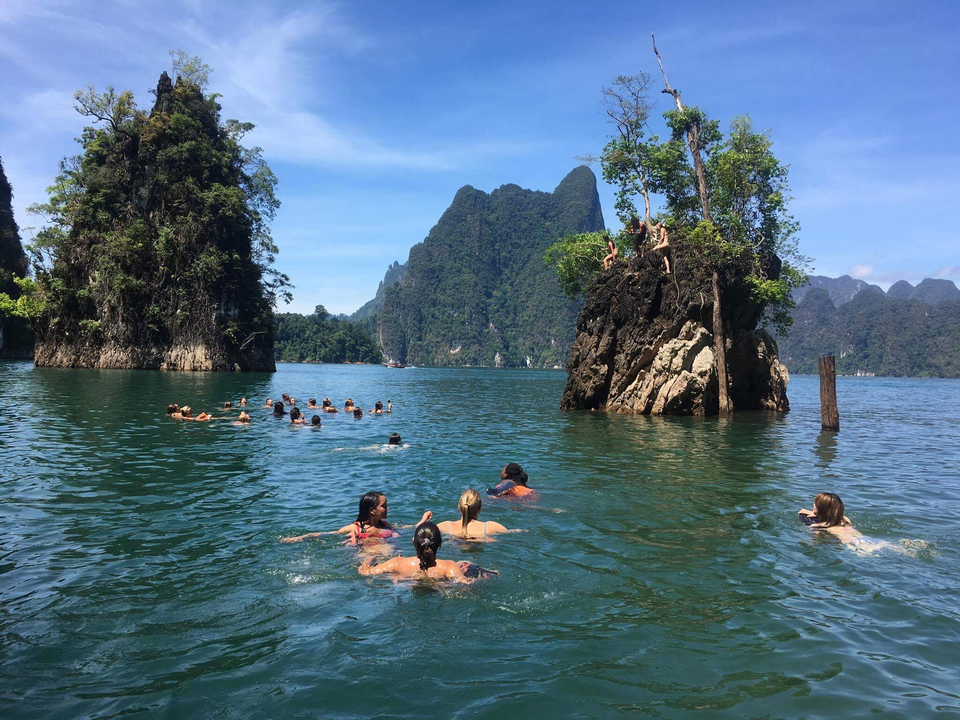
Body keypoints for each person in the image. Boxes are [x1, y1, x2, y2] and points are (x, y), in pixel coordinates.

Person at [358, 522, 497, 583]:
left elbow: (365, 572)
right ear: (440, 544)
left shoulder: (397, 562)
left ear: (414, 542)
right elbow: (464, 584)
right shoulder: (449, 566)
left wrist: (369, 559)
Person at [282, 491, 411, 543]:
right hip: (367, 556)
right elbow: (326, 534)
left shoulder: (385, 525)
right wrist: (299, 538)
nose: (387, 508)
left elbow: (405, 528)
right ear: (372, 510)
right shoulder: (354, 528)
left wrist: (423, 522)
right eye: (384, 506)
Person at [435, 489, 515, 540]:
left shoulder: (445, 526)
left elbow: (423, 530)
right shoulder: (489, 527)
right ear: (479, 509)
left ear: (459, 507)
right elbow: (513, 532)